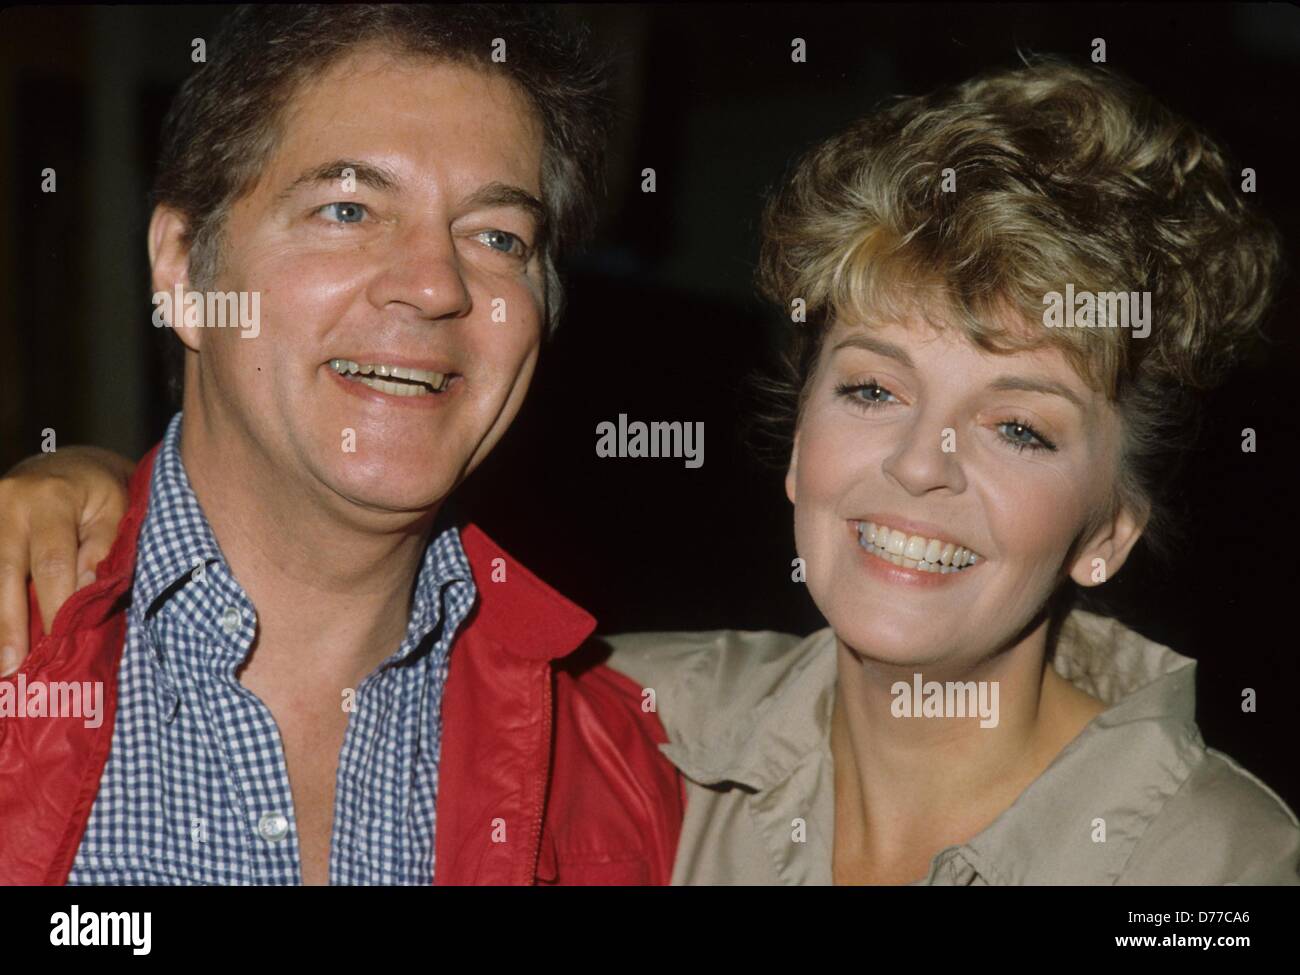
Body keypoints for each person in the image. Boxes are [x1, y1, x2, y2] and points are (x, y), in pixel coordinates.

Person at [8, 56, 1299, 886]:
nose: (922, 464)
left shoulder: (1220, 861)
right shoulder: (639, 712)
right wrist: (88, 479)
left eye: (1020, 425)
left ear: (1110, 529)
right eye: (871, 388)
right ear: (799, 441)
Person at [0, 5, 682, 886]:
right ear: (180, 267)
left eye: (497, 236)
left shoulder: (624, 766)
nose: (436, 285)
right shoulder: (22, 652)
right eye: (349, 207)